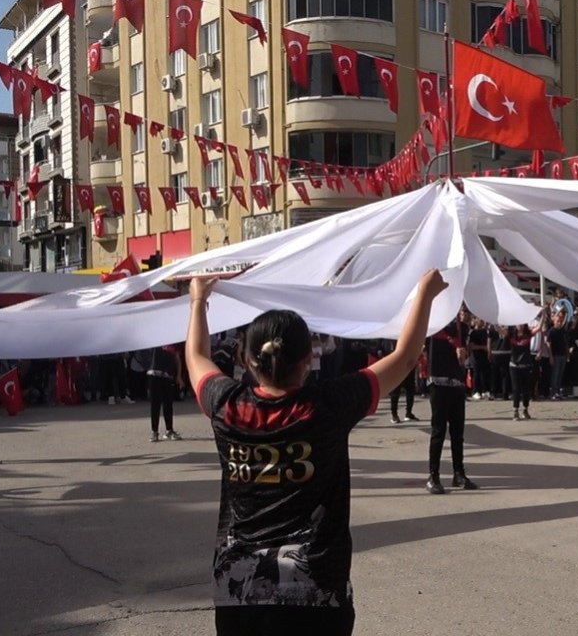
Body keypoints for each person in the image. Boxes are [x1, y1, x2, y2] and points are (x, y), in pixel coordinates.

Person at [184, 270, 446, 636]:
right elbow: (403, 360)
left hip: (240, 589)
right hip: (316, 589)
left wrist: (198, 300)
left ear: (245, 357)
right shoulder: (328, 406)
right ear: (310, 359)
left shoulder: (227, 405)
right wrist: (426, 294)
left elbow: (196, 356)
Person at [426, 312, 478, 494]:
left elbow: (463, 356)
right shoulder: (433, 323)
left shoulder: (461, 328)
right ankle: (433, 476)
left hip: (456, 381)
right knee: (438, 431)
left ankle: (459, 473)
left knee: (458, 432)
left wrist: (463, 355)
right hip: (438, 381)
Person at [145, 345, 183, 442]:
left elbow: (177, 359)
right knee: (155, 405)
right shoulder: (156, 340)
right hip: (153, 374)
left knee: (168, 404)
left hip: (167, 375)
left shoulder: (174, 343)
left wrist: (178, 376)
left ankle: (169, 430)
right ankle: (154, 432)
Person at [508, 324, 536, 420]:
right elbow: (499, 330)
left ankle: (525, 409)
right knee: (516, 388)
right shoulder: (511, 335)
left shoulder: (528, 334)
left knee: (526, 389)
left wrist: (543, 314)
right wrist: (494, 321)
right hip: (514, 365)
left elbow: (539, 328)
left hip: (526, 365)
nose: (520, 326)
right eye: (518, 324)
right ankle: (515, 411)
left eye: (522, 324)